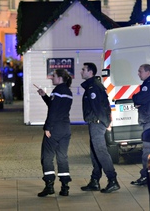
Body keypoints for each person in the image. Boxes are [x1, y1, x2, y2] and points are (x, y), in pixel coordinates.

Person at [80, 62, 120, 194]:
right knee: (95, 153)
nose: (81, 72)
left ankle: (112, 180)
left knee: (101, 152)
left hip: (97, 123)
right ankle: (95, 181)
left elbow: (99, 107)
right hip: (95, 123)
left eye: (84, 69)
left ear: (90, 72)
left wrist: (104, 122)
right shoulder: (92, 86)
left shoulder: (93, 87)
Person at [36, 69, 73, 197]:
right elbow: (55, 107)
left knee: (47, 157)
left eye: (54, 76)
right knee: (62, 157)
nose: (52, 78)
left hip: (55, 128)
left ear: (60, 78)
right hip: (65, 128)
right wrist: (44, 96)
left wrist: (47, 127)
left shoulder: (57, 91)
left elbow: (53, 112)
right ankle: (65, 187)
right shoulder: (68, 91)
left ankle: (49, 185)